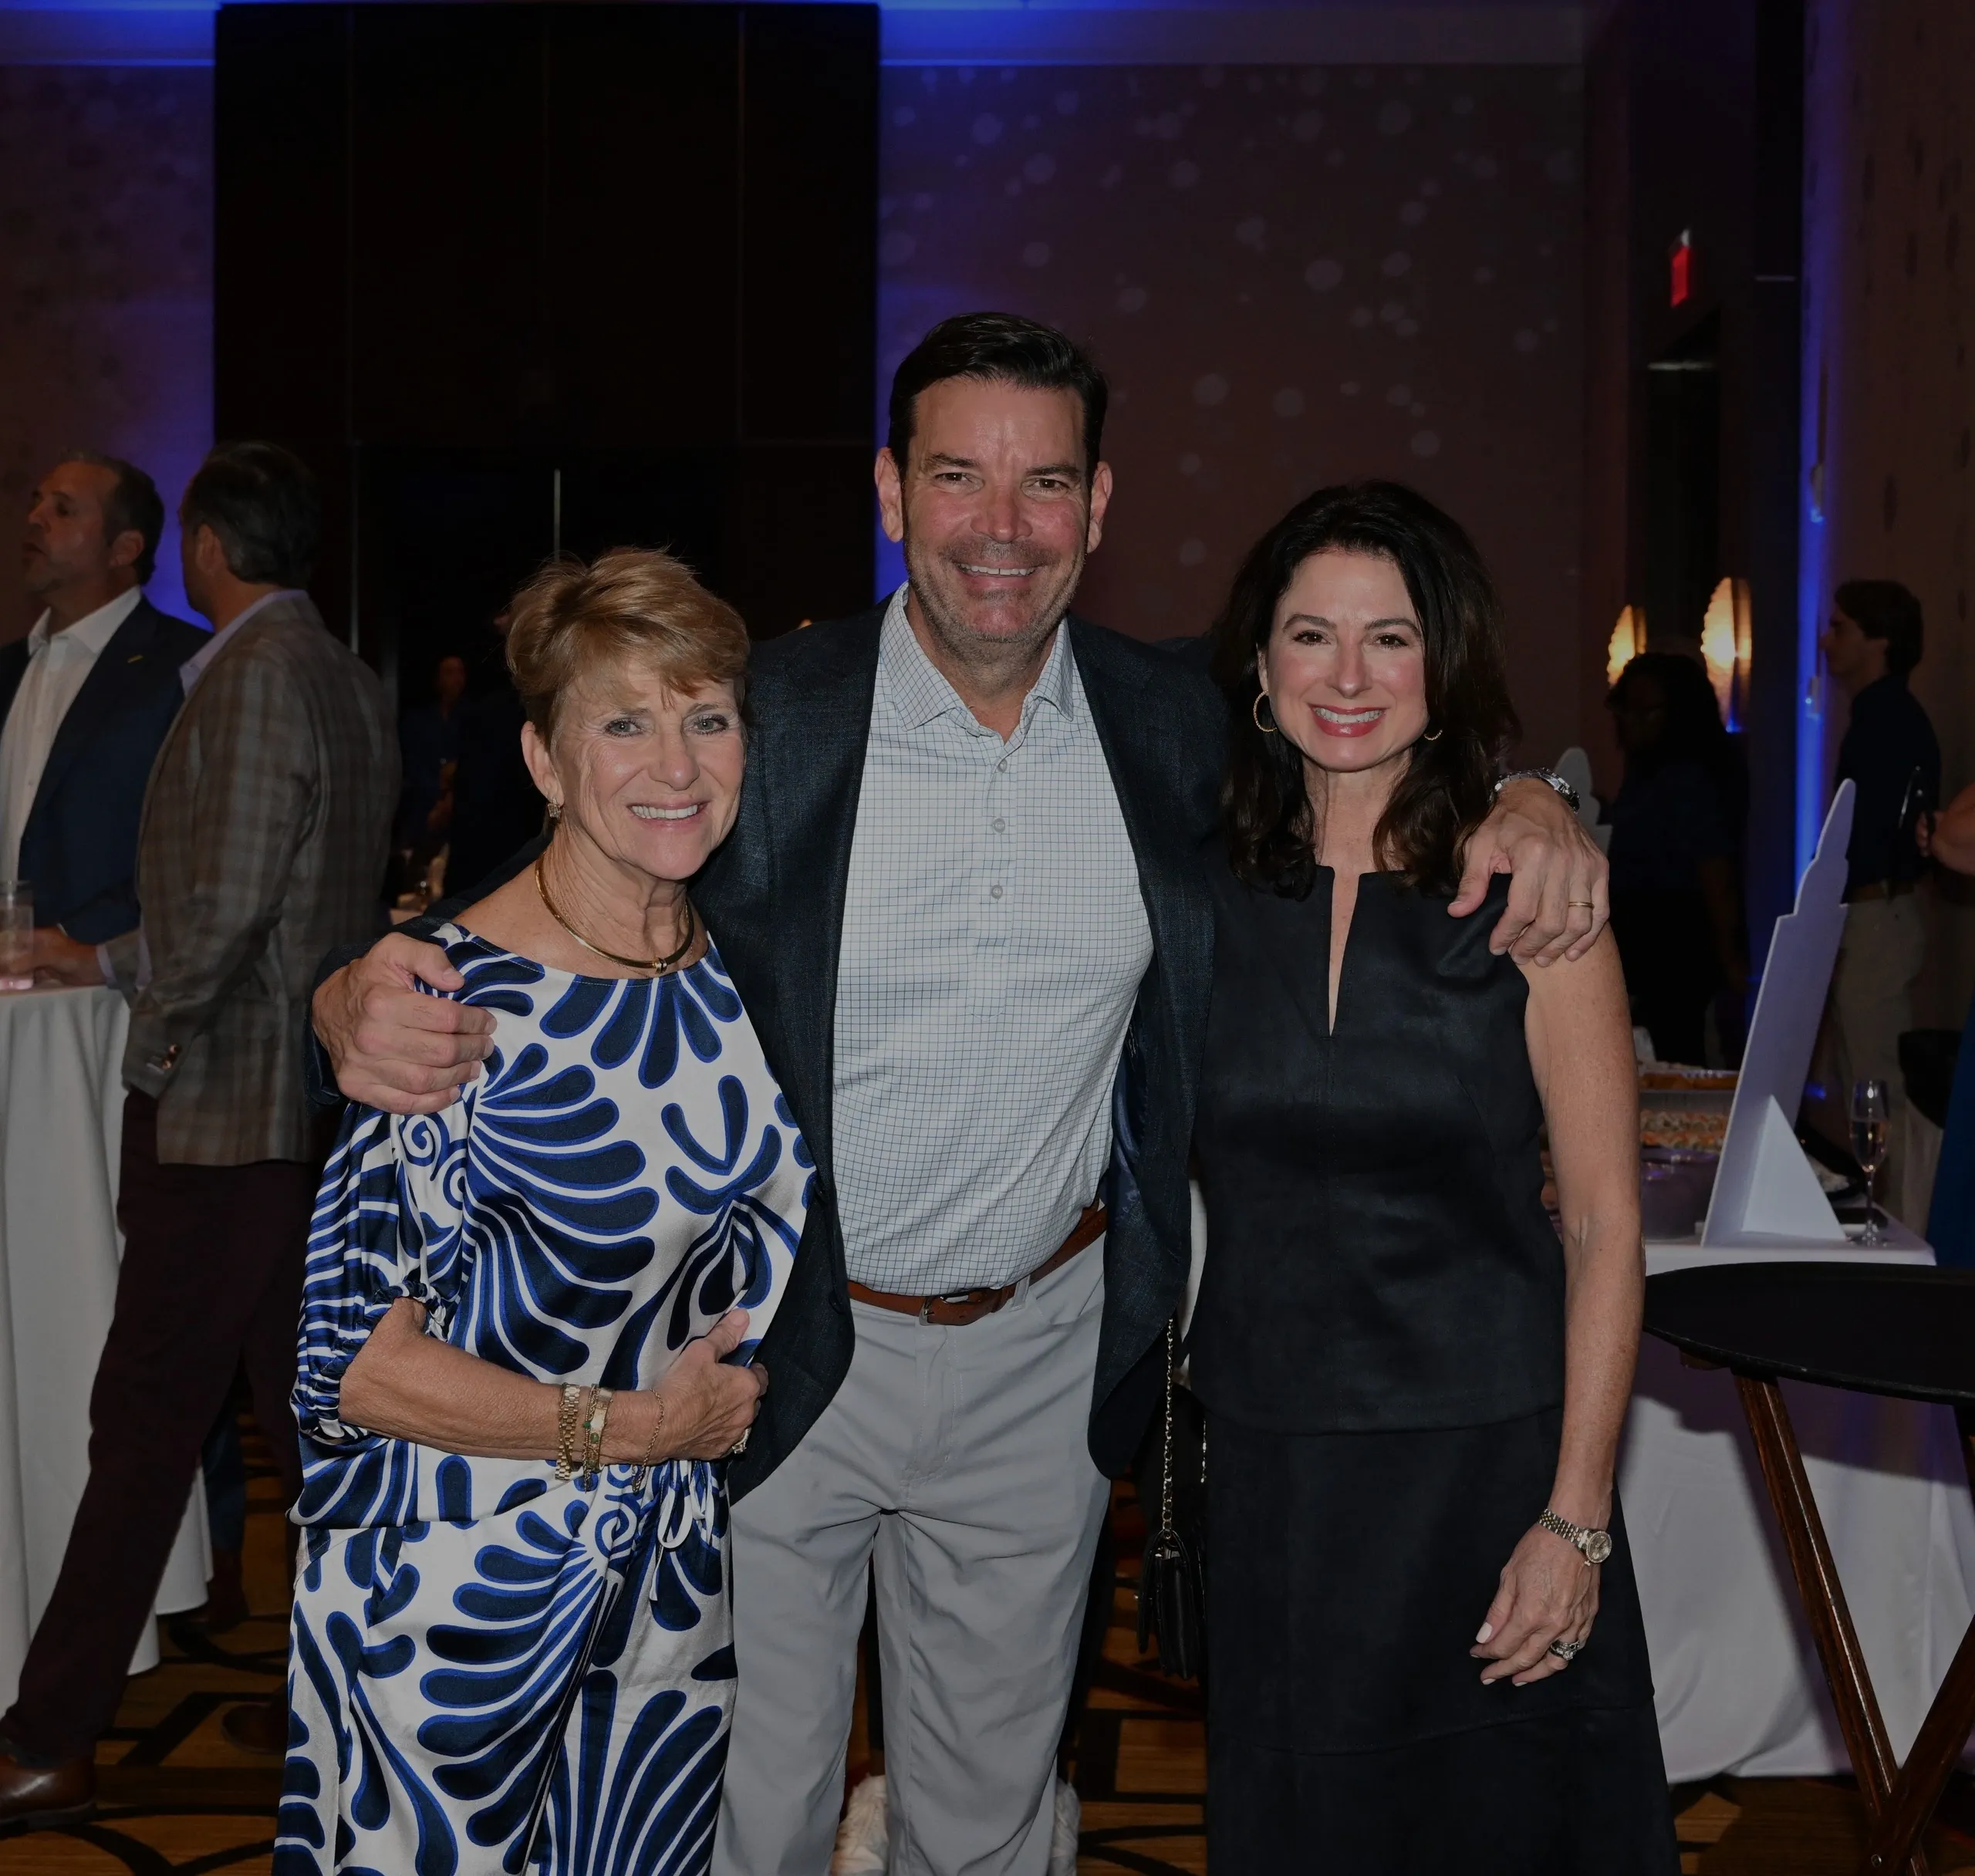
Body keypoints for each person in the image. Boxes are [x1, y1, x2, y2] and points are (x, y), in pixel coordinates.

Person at [306, 314, 1609, 1876]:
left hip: (1041, 1360)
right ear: (888, 490)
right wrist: (356, 987)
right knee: (750, 1817)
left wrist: (1536, 796)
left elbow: (1370, 741)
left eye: (1044, 482)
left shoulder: (1176, 724)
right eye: (956, 477)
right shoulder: (769, 716)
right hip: (781, 1352)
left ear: (1098, 505)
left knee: (987, 1829)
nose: (1002, 525)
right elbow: (585, 860)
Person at [281, 549, 807, 1873]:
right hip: (457, 1601)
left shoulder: (733, 970)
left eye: (706, 717)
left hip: (664, 1589)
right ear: (543, 761)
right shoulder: (447, 1007)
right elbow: (356, 1366)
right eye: (622, 723)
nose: (675, 764)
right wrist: (634, 1430)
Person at [1191, 482, 1675, 1871]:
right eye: (1312, 635)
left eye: (1390, 638)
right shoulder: (1197, 890)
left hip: (1488, 1468)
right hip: (1276, 1469)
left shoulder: (1535, 900)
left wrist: (1576, 1518)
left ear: (1441, 662)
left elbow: (1604, 1224)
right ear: (1262, 663)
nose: (1349, 677)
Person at [0, 442, 398, 1827]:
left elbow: (223, 912)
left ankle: (49, 1733)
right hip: (305, 1110)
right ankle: (369, 1701)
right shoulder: (340, 672)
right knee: (310, 1425)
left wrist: (147, 1038)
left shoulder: (254, 675)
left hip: (225, 1112)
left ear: (206, 548)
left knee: (144, 1423)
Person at [5, 452, 204, 959]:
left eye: (63, 509)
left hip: (112, 983)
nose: (35, 518)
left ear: (123, 549)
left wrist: (76, 941)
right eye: (36, 503)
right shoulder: (7, 669)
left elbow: (199, 850)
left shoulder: (187, 665)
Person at [1821, 580, 1939, 1190]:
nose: (1827, 640)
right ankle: (1883, 1212)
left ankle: (1893, 1224)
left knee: (1877, 1088)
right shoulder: (1878, 715)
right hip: (1870, 914)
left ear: (1879, 640)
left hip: (1877, 913)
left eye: (1840, 627)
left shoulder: (1888, 719)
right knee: (1864, 1084)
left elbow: (1877, 837)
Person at [1602, 652, 1746, 1064]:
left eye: (1644, 711)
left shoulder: (1692, 777)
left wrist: (1731, 959)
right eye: (1626, 710)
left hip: (1676, 942)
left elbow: (1714, 870)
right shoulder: (1645, 772)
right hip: (1642, 941)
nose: (1631, 722)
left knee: (1677, 1054)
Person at [395, 650, 467, 858]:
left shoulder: (473, 720)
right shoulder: (418, 722)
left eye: (460, 672)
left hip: (460, 813)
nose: (456, 679)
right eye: (450, 673)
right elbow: (412, 766)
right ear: (438, 679)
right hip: (423, 812)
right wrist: (436, 797)